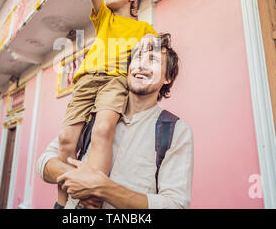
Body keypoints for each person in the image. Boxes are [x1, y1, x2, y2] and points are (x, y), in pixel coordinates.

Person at [55, 0, 158, 207]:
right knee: (66, 139)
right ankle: (62, 202)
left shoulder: (145, 28)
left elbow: (151, 58)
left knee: (103, 131)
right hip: (87, 79)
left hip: (116, 82)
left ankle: (92, 197)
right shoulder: (104, 18)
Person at [37, 33, 194, 209]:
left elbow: (175, 205)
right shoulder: (98, 112)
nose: (141, 65)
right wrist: (80, 179)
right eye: (138, 58)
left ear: (168, 78)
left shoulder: (176, 131)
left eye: (153, 60)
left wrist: (103, 188)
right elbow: (45, 161)